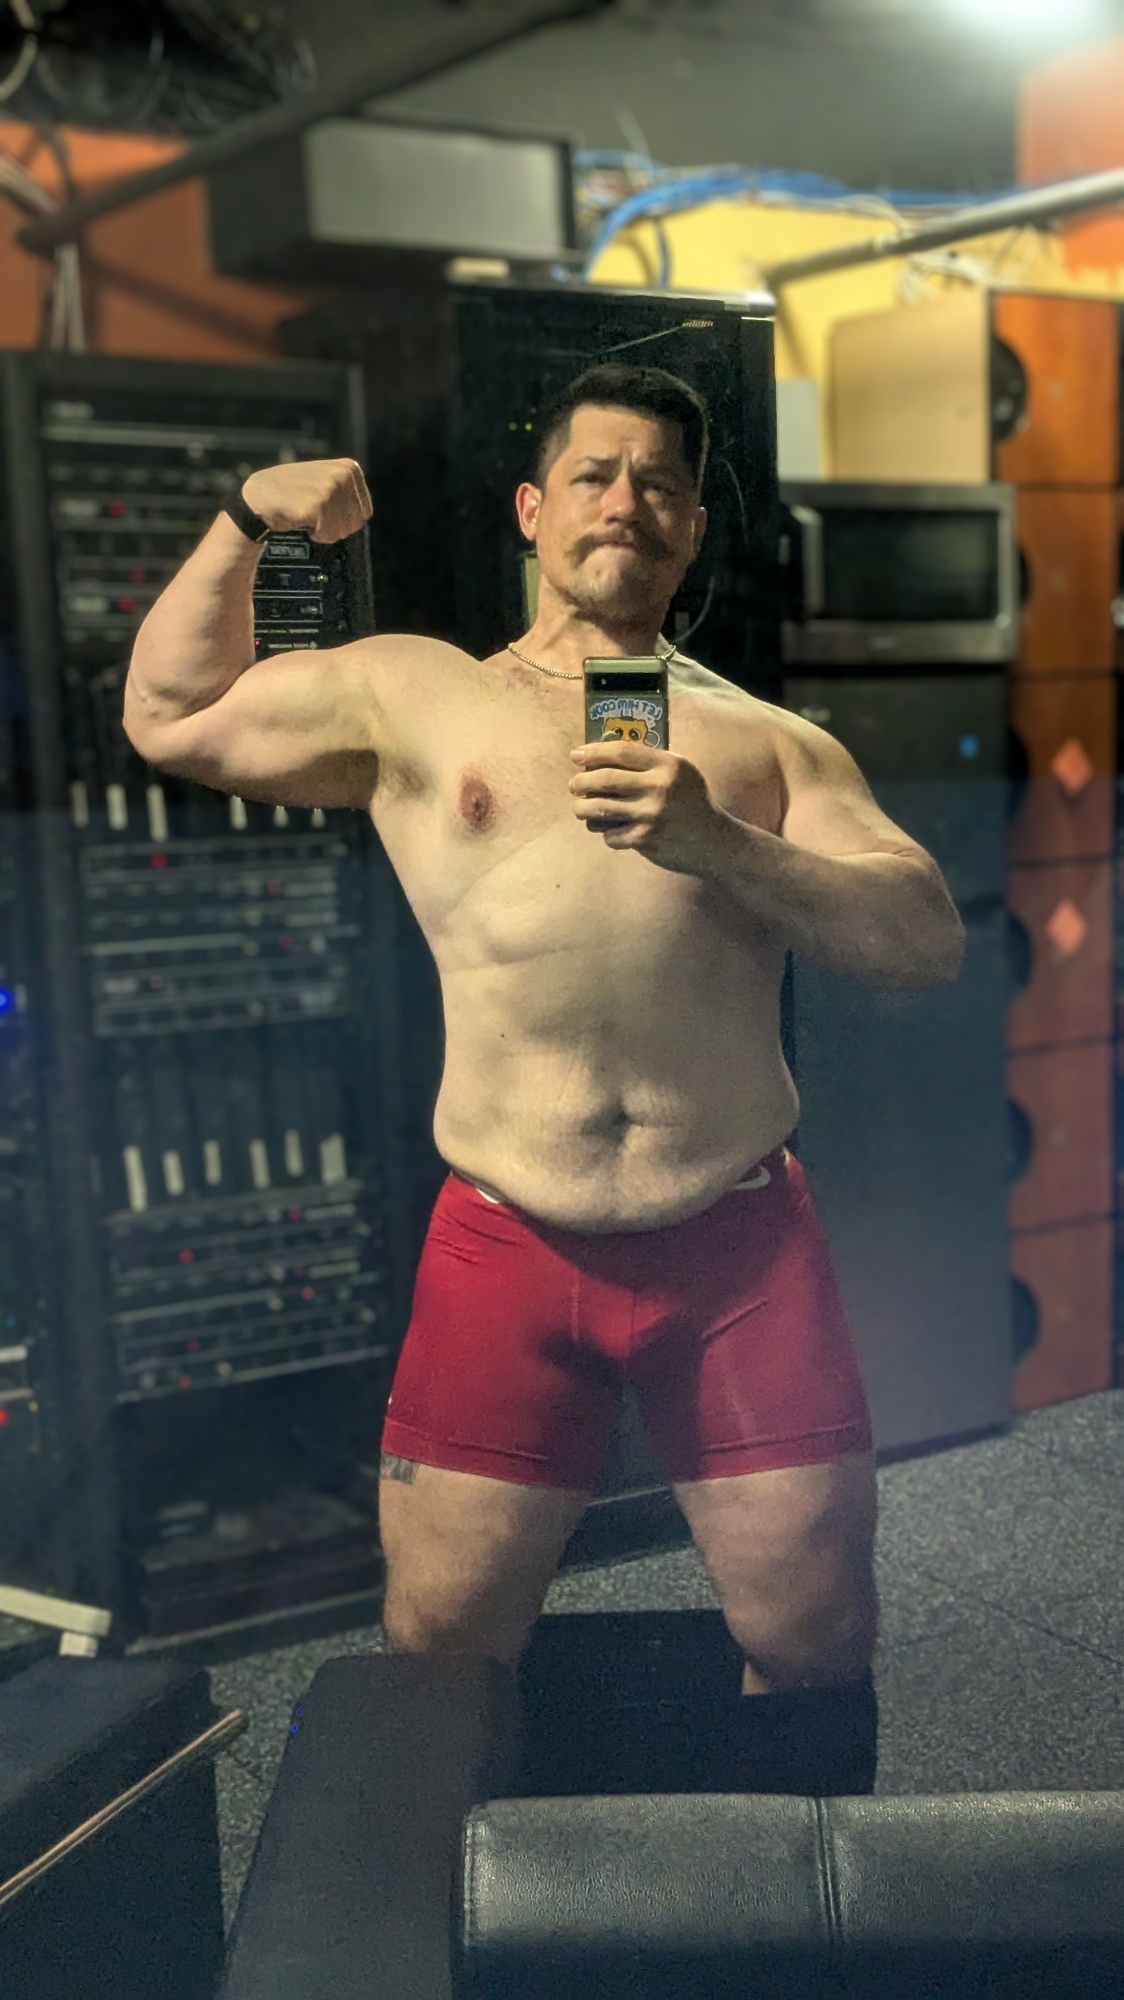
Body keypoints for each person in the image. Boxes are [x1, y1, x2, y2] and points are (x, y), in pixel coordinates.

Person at [123, 361, 964, 1794]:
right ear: (532, 508)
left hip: (737, 1247)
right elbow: (168, 712)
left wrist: (723, 846)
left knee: (814, 1630)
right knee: (440, 1646)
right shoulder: (415, 692)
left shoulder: (767, 743)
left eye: (660, 484)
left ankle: (789, 1905)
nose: (626, 501)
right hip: (507, 1246)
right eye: (594, 473)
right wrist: (245, 519)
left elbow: (925, 939)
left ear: (692, 528)